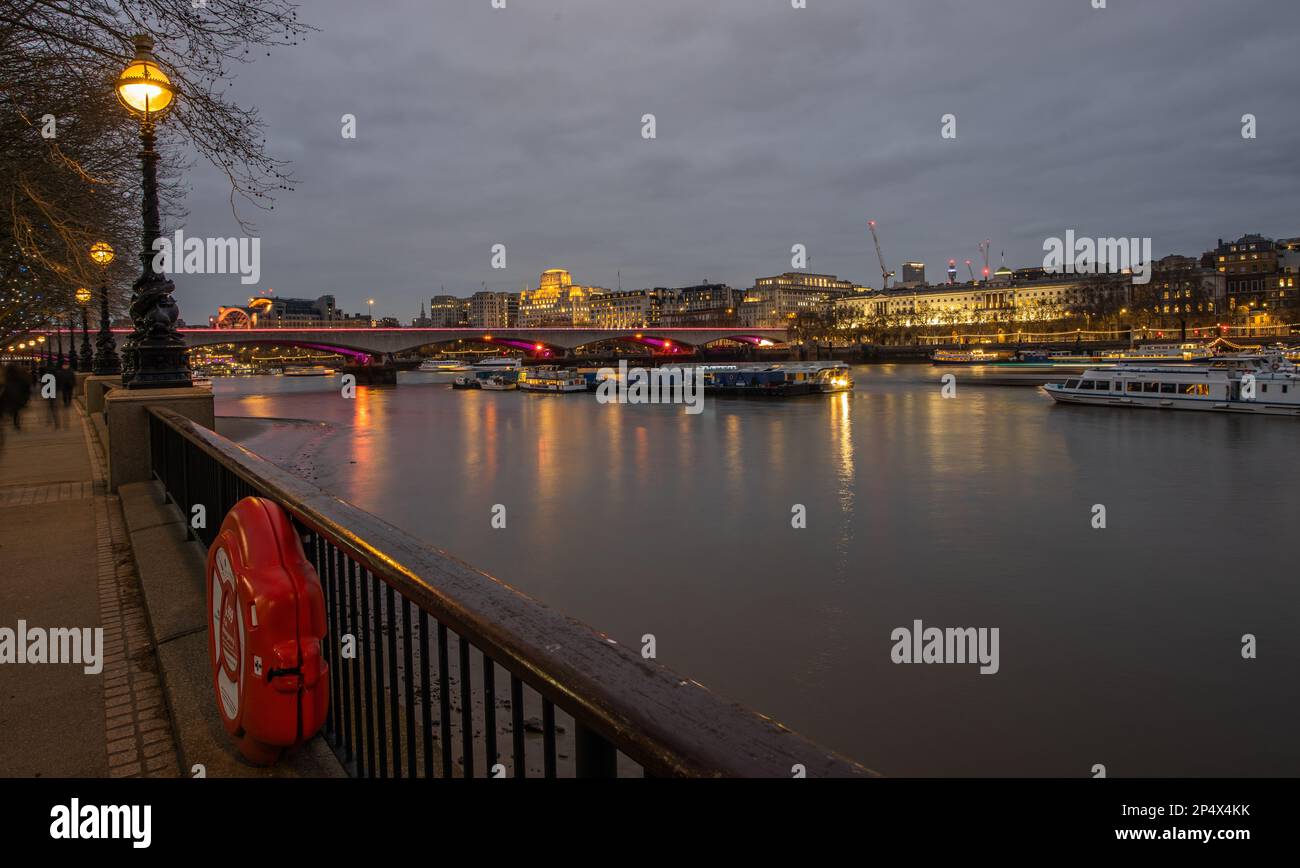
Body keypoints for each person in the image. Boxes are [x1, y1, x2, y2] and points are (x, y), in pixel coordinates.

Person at [0, 363, 33, 435]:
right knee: (15, 411)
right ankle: (16, 424)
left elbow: (4, 387)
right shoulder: (20, 376)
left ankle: (11, 422)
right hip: (17, 398)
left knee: (10, 411)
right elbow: (26, 387)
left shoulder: (6, 377)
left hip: (9, 397)